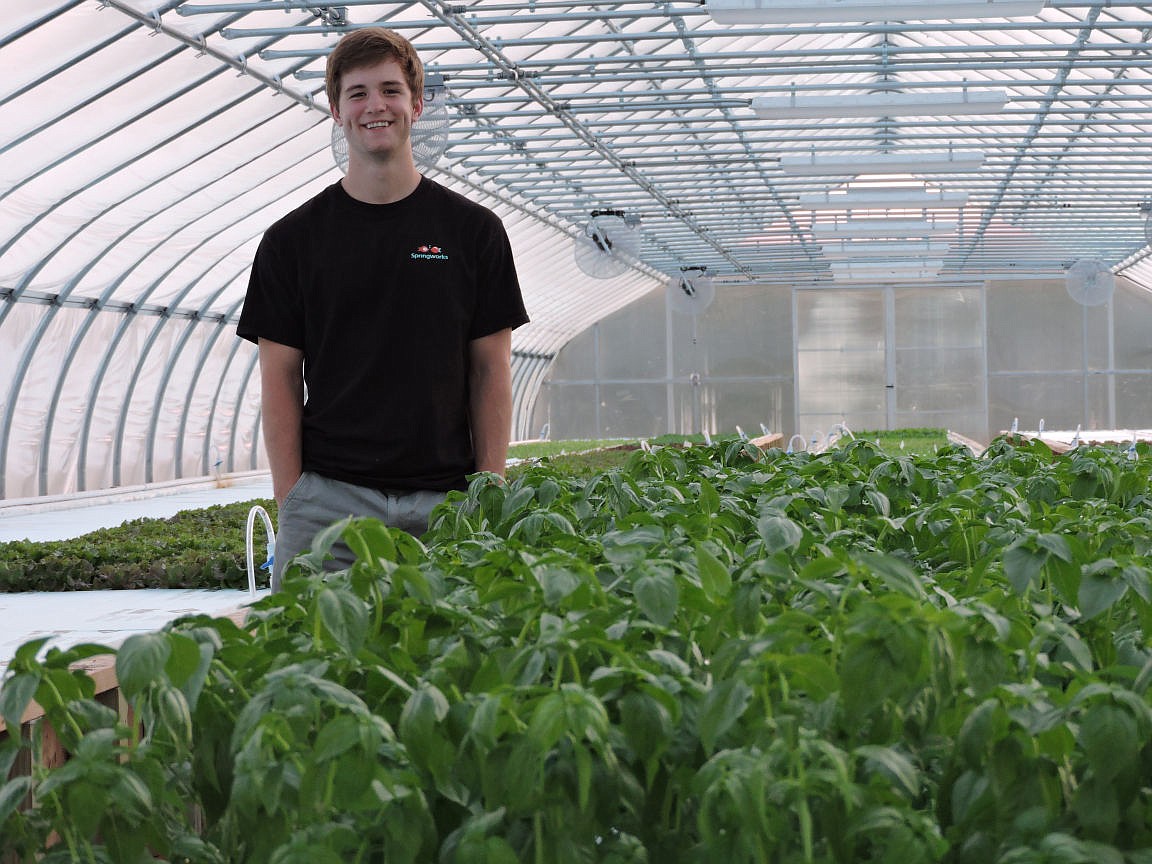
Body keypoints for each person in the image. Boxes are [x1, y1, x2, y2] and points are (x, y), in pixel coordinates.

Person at [237, 27, 529, 590]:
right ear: (335, 109)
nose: (376, 106)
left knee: (456, 667)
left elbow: (490, 370)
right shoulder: (292, 241)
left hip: (448, 507)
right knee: (310, 665)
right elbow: (279, 377)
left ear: (417, 105)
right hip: (329, 507)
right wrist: (293, 497)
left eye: (391, 91)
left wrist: (490, 488)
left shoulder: (473, 233)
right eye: (358, 92)